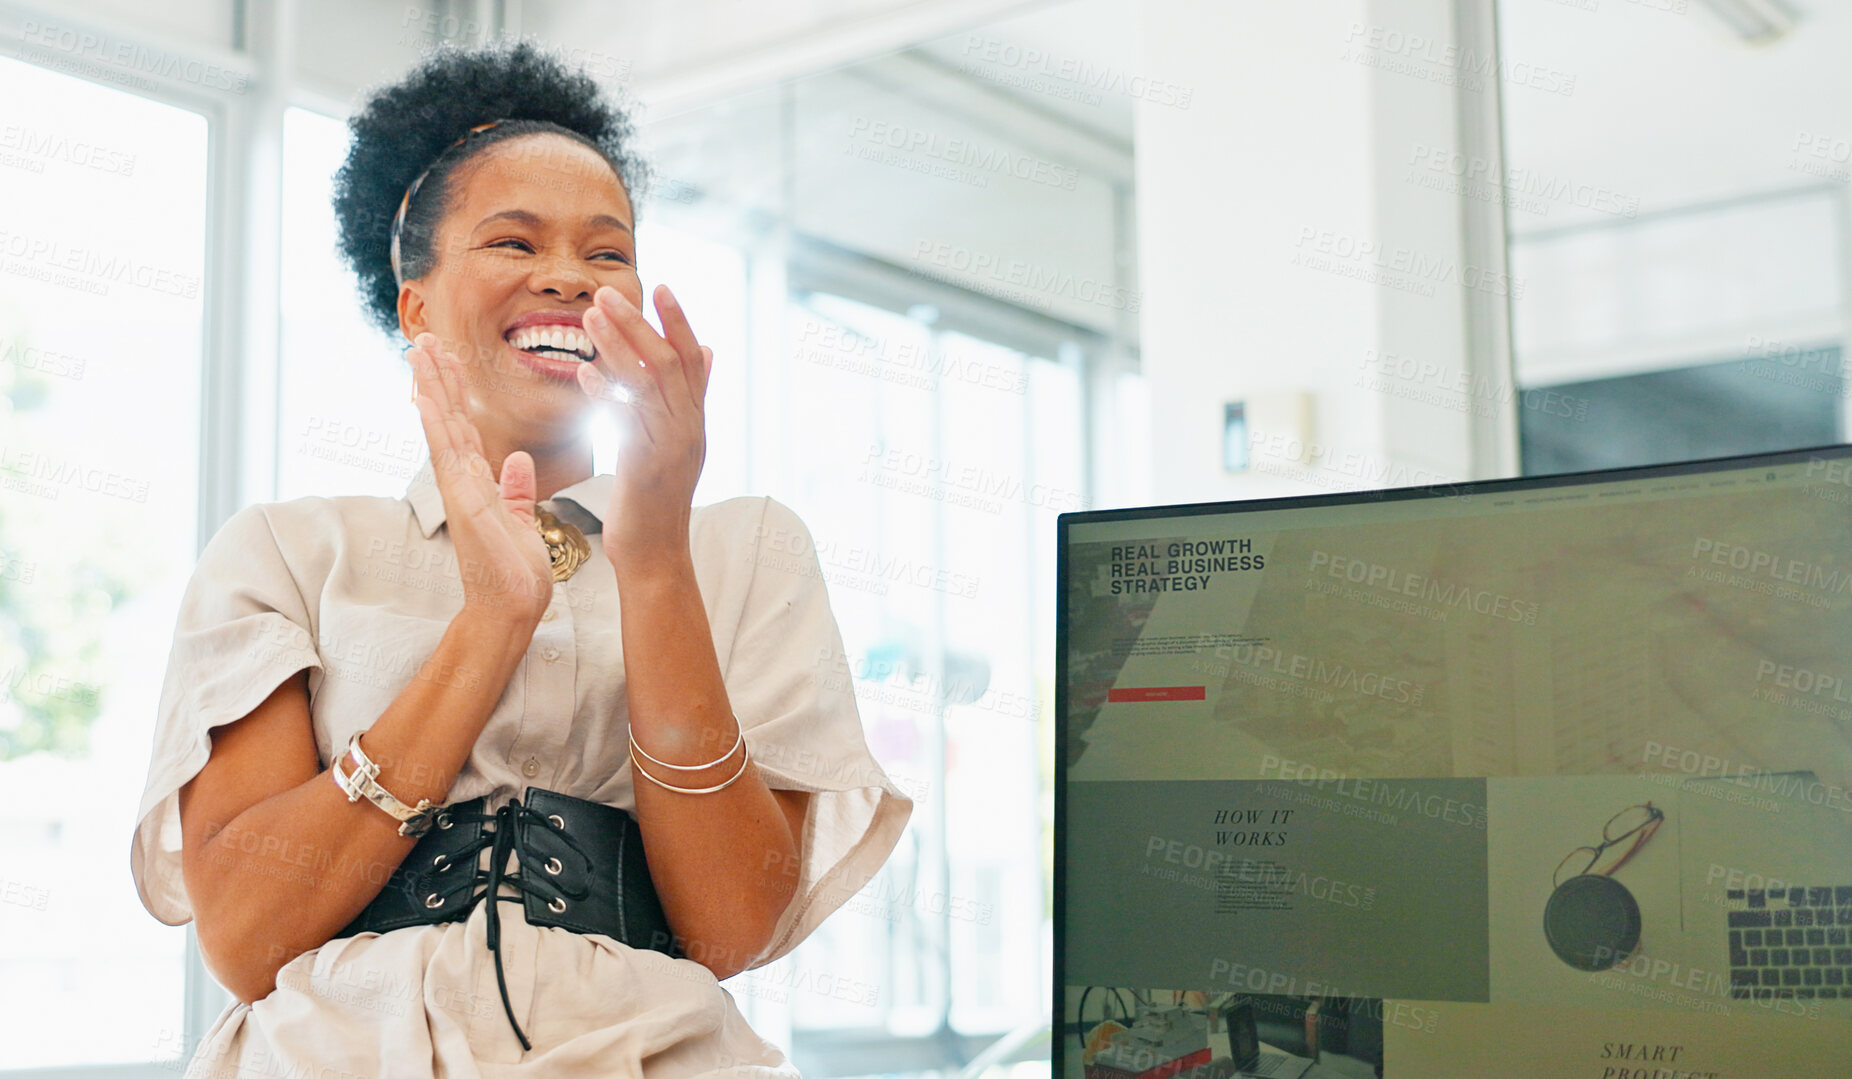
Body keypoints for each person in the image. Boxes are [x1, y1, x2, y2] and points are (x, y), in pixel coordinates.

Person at [129, 39, 912, 1076]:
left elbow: (731, 927)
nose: (565, 278)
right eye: (512, 241)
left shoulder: (742, 547)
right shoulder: (288, 551)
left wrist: (655, 558)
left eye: (606, 252)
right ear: (414, 303)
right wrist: (490, 621)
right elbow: (245, 936)